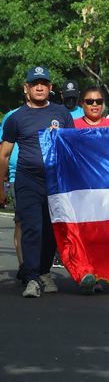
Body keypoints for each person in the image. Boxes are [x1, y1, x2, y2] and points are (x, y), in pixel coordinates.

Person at [0, 66, 78, 298]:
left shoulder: (62, 113)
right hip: (27, 180)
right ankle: (32, 278)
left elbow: (73, 147)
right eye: (35, 84)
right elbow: (3, 154)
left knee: (51, 230)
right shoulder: (16, 118)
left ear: (51, 88)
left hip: (56, 181)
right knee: (32, 227)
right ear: (27, 89)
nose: (40, 87)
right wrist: (1, 186)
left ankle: (44, 272)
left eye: (44, 83)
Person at [0, 108, 23, 282]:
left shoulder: (52, 113)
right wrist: (1, 184)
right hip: (18, 177)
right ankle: (24, 265)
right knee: (21, 222)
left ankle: (40, 267)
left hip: (48, 177)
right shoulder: (12, 116)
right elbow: (4, 151)